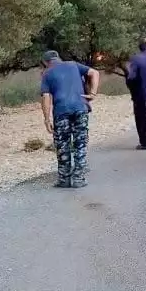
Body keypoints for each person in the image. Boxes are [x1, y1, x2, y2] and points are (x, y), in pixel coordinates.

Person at [39, 50, 100, 188]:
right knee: (80, 143)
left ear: (45, 62)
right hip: (80, 107)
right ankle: (78, 178)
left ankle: (64, 179)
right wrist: (92, 93)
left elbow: (46, 97)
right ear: (58, 58)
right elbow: (94, 73)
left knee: (62, 145)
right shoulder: (73, 65)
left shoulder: (47, 73)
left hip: (61, 112)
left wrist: (47, 119)